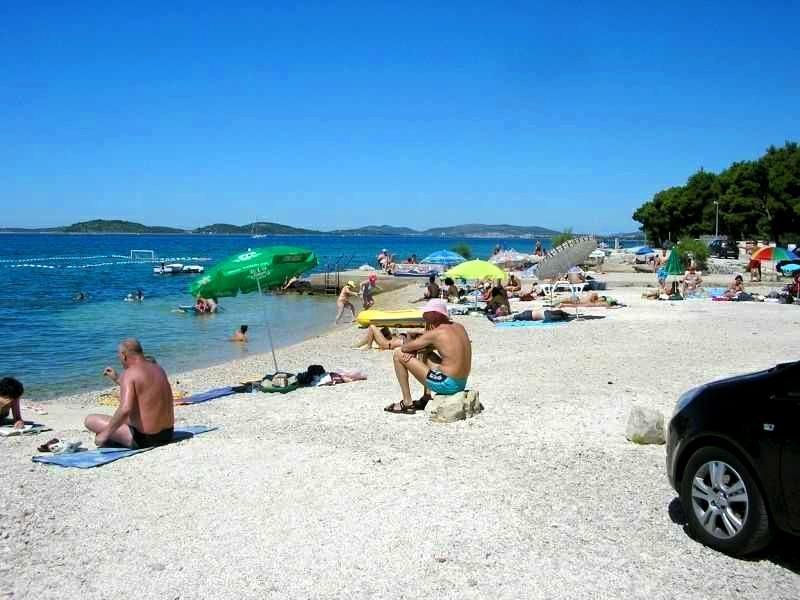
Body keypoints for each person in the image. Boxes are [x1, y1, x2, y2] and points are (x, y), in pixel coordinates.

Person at [385, 299, 471, 414]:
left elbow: (405, 348)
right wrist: (422, 345)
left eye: (427, 313)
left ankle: (407, 403)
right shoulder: (459, 327)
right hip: (461, 382)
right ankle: (426, 397)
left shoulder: (436, 333)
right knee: (427, 352)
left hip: (447, 384)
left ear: (436, 314)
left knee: (398, 354)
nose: (423, 315)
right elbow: (445, 345)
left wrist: (410, 335)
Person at [85, 339, 174, 449]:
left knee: (90, 420)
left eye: (119, 356)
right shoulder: (158, 368)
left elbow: (125, 409)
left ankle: (111, 438)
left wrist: (105, 434)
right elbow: (144, 390)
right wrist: (117, 379)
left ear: (124, 355)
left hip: (145, 439)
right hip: (167, 434)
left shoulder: (129, 373)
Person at [354, 325, 424, 350]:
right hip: (388, 342)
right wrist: (397, 334)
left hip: (386, 344)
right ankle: (359, 344)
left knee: (372, 327)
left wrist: (421, 331)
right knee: (383, 330)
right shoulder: (410, 339)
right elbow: (399, 338)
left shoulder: (411, 340)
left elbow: (410, 331)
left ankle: (368, 346)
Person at [491, 308, 570, 323]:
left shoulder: (548, 312)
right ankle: (496, 319)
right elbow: (547, 320)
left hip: (529, 314)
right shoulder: (548, 313)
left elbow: (547, 320)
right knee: (513, 317)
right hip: (529, 315)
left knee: (513, 317)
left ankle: (496, 319)